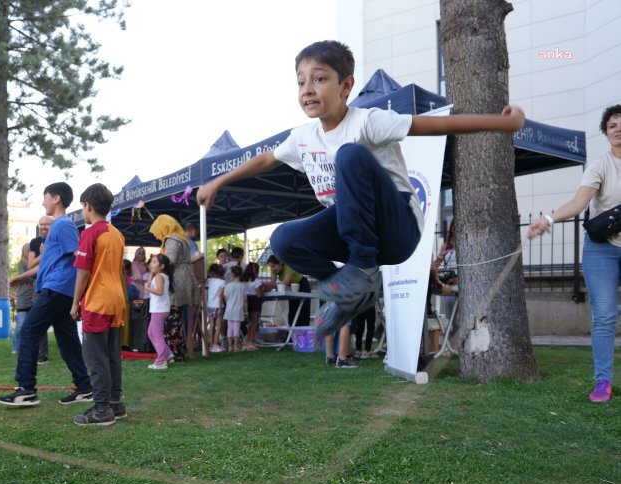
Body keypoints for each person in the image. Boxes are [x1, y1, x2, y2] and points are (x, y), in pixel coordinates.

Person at [197, 39, 526, 341]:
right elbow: (266, 159)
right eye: (301, 82)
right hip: (353, 231)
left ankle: (362, 270)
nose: (308, 89)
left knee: (350, 155)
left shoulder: (367, 121)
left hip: (398, 229)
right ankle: (346, 292)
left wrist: (503, 123)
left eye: (319, 79)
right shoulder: (302, 138)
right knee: (283, 240)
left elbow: (437, 125)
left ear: (346, 86)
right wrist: (218, 182)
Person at [528, 104, 621, 404]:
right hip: (602, 250)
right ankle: (603, 382)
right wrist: (549, 220)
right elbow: (579, 203)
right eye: (612, 125)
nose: (618, 128)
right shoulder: (601, 165)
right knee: (605, 316)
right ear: (606, 134)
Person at [0, 182, 93, 407]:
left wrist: (78, 295)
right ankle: (84, 387)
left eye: (45, 197)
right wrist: (22, 278)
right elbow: (50, 263)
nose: (43, 202)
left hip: (58, 289)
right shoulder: (58, 228)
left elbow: (78, 256)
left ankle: (26, 389)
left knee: (29, 330)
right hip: (58, 289)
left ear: (56, 198)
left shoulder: (63, 225)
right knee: (68, 340)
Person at [70, 183, 128, 426]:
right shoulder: (117, 233)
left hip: (97, 301)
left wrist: (75, 304)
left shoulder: (89, 233)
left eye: (82, 207)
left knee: (96, 358)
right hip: (117, 300)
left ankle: (102, 409)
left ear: (88, 206)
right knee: (113, 355)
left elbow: (83, 273)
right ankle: (115, 403)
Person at [149, 215, 198, 361]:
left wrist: (155, 266)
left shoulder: (172, 240)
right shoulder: (182, 239)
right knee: (176, 318)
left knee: (173, 319)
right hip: (184, 278)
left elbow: (168, 261)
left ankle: (175, 353)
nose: (157, 236)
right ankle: (175, 352)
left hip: (177, 281)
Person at [10, 215, 55, 363]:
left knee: (63, 326)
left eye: (46, 224)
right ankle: (38, 356)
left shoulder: (57, 238)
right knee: (34, 323)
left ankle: (75, 361)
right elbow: (31, 265)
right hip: (40, 289)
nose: (43, 227)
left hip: (57, 286)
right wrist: (43, 254)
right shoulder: (35, 243)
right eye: (40, 224)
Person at [145, 253, 174, 370]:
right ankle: (168, 353)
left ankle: (161, 361)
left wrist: (147, 288)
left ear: (161, 266)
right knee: (151, 333)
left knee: (157, 335)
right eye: (151, 262)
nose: (151, 264)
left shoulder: (160, 277)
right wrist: (151, 274)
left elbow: (159, 291)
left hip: (159, 310)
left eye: (154, 262)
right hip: (158, 309)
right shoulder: (160, 276)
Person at [266, 255, 312, 328]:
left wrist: (274, 286)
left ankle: (302, 334)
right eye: (271, 267)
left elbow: (286, 282)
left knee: (303, 312)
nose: (272, 269)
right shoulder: (274, 269)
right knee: (292, 312)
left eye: (274, 266)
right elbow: (272, 284)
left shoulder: (288, 265)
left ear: (280, 263)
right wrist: (263, 286)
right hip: (292, 288)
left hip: (302, 285)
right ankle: (291, 335)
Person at [222, 265, 247, 352]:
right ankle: (236, 345)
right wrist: (246, 311)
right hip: (239, 309)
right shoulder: (243, 286)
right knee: (237, 327)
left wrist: (228, 303)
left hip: (229, 308)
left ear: (232, 274)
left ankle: (229, 346)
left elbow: (225, 297)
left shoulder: (228, 286)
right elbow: (245, 300)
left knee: (229, 327)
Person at [241, 262, 263, 351]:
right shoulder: (257, 281)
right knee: (254, 323)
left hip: (246, 301)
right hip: (255, 301)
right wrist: (263, 290)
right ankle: (250, 342)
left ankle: (245, 341)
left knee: (249, 323)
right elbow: (259, 295)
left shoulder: (243, 281)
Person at [206, 263, 226, 353]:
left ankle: (210, 344)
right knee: (219, 326)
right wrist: (221, 308)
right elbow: (221, 295)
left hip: (210, 305)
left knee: (212, 325)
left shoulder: (209, 281)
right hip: (218, 305)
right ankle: (215, 344)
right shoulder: (222, 282)